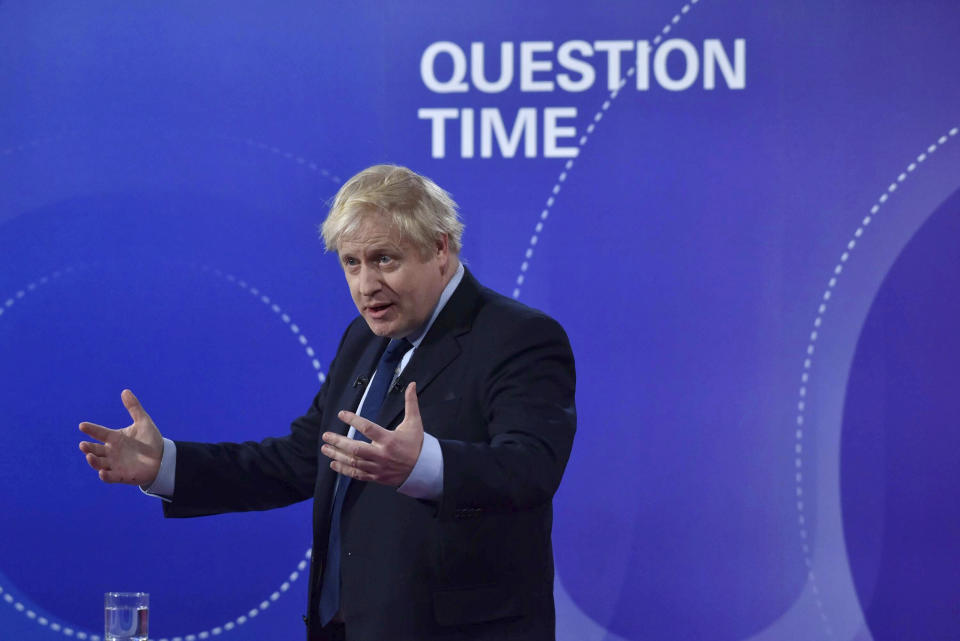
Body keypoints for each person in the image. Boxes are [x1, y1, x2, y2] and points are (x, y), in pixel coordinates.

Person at [78, 164, 576, 641]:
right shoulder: (365, 338)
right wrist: (165, 465)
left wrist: (423, 465)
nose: (365, 285)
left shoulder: (518, 336)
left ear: (439, 249)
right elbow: (302, 459)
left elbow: (530, 467)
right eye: (351, 263)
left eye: (385, 259)